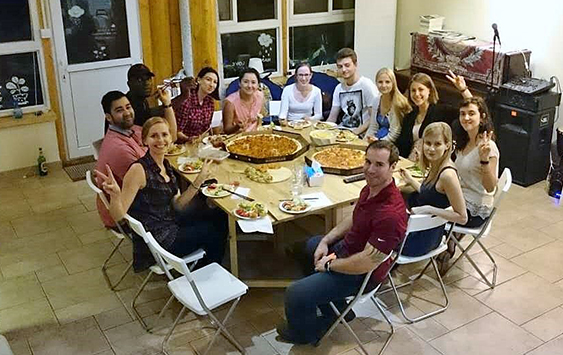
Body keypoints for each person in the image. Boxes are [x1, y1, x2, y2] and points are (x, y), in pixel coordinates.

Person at [277, 140, 408, 345]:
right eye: (368, 162)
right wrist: (326, 241)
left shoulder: (390, 213)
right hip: (347, 252)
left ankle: (304, 334)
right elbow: (355, 217)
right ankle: (338, 311)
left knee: (294, 294)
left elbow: (367, 262)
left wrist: (329, 264)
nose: (370, 169)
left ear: (393, 167)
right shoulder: (371, 188)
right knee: (309, 246)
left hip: (363, 274)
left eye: (379, 165)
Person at [96, 117, 227, 272]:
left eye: (165, 135)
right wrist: (116, 195)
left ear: (171, 138)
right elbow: (118, 216)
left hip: (170, 220)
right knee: (213, 232)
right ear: (144, 141)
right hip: (160, 239)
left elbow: (177, 204)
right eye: (154, 136)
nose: (160, 140)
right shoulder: (138, 170)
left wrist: (198, 182)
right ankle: (204, 274)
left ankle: (207, 264)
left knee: (218, 215)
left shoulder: (165, 164)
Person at [95, 89, 177, 229]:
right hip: (126, 215)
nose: (127, 112)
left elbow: (172, 138)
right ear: (109, 117)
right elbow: (152, 182)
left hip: (135, 202)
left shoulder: (132, 130)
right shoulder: (120, 149)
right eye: (120, 110)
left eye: (128, 107)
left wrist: (167, 105)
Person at [441, 97, 500, 263]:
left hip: (474, 212)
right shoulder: (464, 139)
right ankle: (445, 241)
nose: (466, 118)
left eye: (471, 114)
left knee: (426, 204)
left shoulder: (489, 147)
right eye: (462, 114)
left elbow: (490, 187)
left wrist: (484, 160)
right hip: (461, 198)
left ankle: (431, 246)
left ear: (482, 117)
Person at [399, 122, 467, 257]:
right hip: (424, 230)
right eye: (428, 143)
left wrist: (429, 209)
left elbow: (462, 217)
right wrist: (411, 181)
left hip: (421, 240)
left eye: (437, 144)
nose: (431, 149)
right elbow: (431, 195)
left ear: (447, 145)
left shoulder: (447, 175)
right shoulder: (436, 165)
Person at [394, 71, 472, 159]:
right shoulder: (410, 116)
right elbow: (401, 144)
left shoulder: (442, 111)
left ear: (429, 90)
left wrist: (463, 90)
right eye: (413, 90)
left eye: (421, 89)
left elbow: (472, 108)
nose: (416, 94)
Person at [326, 48, 379, 135]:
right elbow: (332, 118)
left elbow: (373, 118)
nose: (343, 70)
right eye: (340, 66)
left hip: (361, 134)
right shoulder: (338, 88)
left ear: (355, 65)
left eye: (347, 65)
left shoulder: (366, 85)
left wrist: (356, 132)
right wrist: (322, 130)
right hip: (342, 132)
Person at [365, 68, 412, 143]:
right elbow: (373, 127)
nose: (383, 85)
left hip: (392, 142)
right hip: (377, 139)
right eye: (380, 82)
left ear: (393, 83)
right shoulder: (376, 100)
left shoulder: (398, 103)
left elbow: (395, 134)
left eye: (387, 82)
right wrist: (365, 142)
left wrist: (378, 142)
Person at [173, 67, 220, 141]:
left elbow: (207, 128)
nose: (211, 85)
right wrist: (189, 139)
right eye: (208, 80)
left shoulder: (210, 102)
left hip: (202, 143)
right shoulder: (187, 100)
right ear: (199, 80)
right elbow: (177, 131)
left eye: (215, 82)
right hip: (184, 144)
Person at [222, 68, 264, 134]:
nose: (249, 86)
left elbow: (260, 117)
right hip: (237, 138)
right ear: (239, 83)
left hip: (256, 135)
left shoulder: (260, 96)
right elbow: (226, 130)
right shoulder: (230, 102)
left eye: (253, 82)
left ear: (258, 85)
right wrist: (237, 127)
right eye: (245, 82)